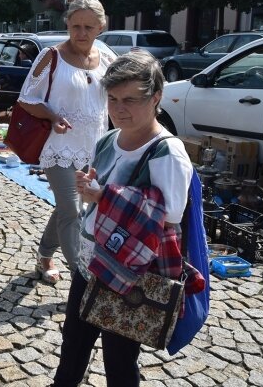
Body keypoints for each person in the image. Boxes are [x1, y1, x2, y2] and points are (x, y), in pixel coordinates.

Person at [52, 50, 193, 386]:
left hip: (131, 272)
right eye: (112, 98)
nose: (118, 109)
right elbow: (100, 191)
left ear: (156, 97)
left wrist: (104, 196)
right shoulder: (107, 140)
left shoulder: (166, 151)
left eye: (130, 99)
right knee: (73, 344)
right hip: (90, 264)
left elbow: (171, 213)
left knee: (118, 359)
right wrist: (89, 188)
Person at [16, 0, 115, 284]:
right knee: (72, 211)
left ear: (101, 27)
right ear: (68, 24)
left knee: (67, 208)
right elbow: (26, 98)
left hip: (95, 147)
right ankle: (81, 278)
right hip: (58, 147)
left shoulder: (107, 56)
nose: (81, 34)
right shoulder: (51, 56)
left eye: (89, 27)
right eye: (76, 26)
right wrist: (50, 116)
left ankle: (44, 255)